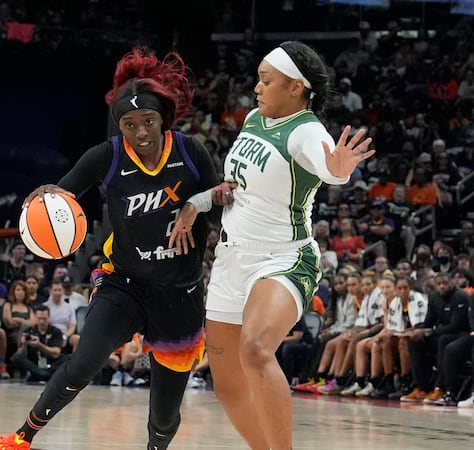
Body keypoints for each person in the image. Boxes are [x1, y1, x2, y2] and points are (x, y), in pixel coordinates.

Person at [0, 46, 235, 450]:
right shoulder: (106, 157)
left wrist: (205, 204)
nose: (140, 132)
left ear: (163, 119)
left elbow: (215, 213)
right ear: (119, 126)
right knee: (83, 362)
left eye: (148, 121)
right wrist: (41, 200)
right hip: (124, 284)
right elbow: (59, 196)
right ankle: (22, 437)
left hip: (181, 293)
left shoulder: (190, 152)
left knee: (163, 413)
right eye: (129, 124)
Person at [169, 40, 374, 450]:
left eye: (266, 80)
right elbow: (241, 184)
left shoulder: (306, 130)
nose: (257, 88)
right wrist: (212, 196)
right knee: (227, 386)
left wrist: (336, 171)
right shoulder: (252, 119)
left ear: (296, 87)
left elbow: (327, 163)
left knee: (258, 349)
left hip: (282, 258)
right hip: (230, 261)